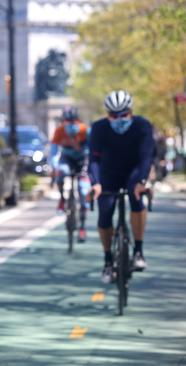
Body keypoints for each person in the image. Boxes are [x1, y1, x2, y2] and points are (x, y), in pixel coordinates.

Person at [90, 90, 154, 283]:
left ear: (131, 112)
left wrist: (142, 181)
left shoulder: (142, 126)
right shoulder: (99, 128)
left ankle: (138, 252)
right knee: (105, 212)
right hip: (109, 172)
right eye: (113, 116)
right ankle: (108, 261)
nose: (119, 119)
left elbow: (146, 157)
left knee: (136, 200)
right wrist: (96, 183)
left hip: (133, 171)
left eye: (123, 115)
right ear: (107, 114)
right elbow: (93, 158)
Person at [50, 106, 91, 242]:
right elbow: (54, 149)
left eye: (73, 121)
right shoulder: (59, 131)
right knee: (61, 173)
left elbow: (92, 149)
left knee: (83, 191)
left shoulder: (85, 130)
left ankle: (82, 227)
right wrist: (54, 164)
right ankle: (62, 198)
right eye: (67, 121)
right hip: (66, 158)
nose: (71, 124)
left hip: (81, 159)